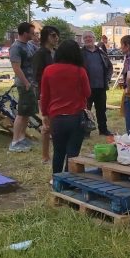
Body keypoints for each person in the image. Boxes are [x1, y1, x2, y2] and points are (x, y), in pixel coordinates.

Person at [39, 39, 91, 174]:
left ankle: (56, 179)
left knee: (58, 151)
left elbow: (44, 95)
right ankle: (69, 181)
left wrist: (44, 114)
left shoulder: (49, 70)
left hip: (56, 117)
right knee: (73, 153)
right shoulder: (80, 71)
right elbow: (87, 92)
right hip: (76, 116)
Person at [8, 22, 38, 152]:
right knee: (21, 113)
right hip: (24, 84)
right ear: (25, 33)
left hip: (31, 84)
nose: (34, 34)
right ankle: (15, 142)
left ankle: (21, 138)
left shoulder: (30, 45)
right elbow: (16, 68)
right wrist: (26, 82)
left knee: (27, 113)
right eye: (32, 32)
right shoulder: (16, 47)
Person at [32, 25, 60, 162]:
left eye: (57, 35)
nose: (56, 38)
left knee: (55, 124)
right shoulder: (40, 53)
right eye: (53, 35)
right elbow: (37, 76)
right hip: (44, 93)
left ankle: (56, 153)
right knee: (47, 124)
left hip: (58, 93)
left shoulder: (56, 52)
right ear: (45, 37)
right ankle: (45, 155)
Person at [81, 31, 114, 136]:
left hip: (101, 86)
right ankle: (86, 132)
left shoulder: (101, 52)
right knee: (86, 111)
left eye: (90, 37)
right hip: (86, 88)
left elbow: (109, 66)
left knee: (101, 110)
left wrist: (108, 79)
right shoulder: (80, 53)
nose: (88, 39)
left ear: (94, 38)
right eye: (85, 37)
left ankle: (103, 130)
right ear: (83, 40)